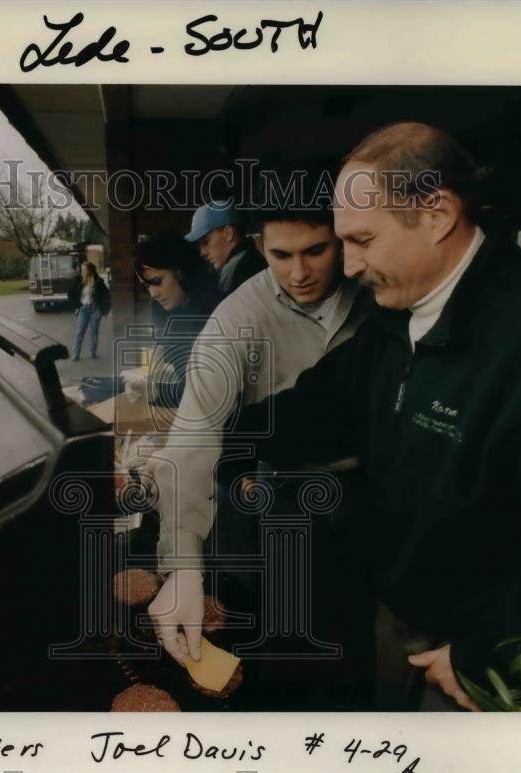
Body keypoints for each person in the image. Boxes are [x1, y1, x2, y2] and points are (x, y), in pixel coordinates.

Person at [230, 122, 521, 710]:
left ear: (436, 214)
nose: (352, 265)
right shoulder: (396, 312)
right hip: (397, 613)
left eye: (363, 240)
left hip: (479, 651)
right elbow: (322, 407)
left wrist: (488, 652)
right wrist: (204, 442)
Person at [146, 178, 368, 687]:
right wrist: (183, 569)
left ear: (344, 240)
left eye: (316, 251)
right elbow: (192, 439)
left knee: (359, 632)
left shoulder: (377, 288)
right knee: (294, 637)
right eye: (281, 254)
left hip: (375, 485)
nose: (299, 272)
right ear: (257, 244)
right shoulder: (235, 320)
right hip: (285, 488)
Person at [133, 233, 221, 406]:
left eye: (157, 281)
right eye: (147, 286)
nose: (153, 293)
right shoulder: (178, 308)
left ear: (181, 272)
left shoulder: (214, 313)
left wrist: (156, 392)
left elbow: (205, 392)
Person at [185, 198, 267, 296]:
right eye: (199, 245)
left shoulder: (248, 271)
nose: (202, 252)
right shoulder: (239, 267)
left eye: (206, 242)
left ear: (229, 233)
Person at [68, 261, 110, 360]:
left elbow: (106, 296)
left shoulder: (98, 281)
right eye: (81, 270)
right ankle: (75, 354)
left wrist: (105, 310)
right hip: (83, 309)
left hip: (95, 309)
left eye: (84, 270)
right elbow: (70, 295)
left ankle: (93, 351)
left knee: (94, 331)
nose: (82, 272)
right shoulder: (78, 280)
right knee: (79, 332)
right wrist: (76, 308)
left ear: (90, 270)